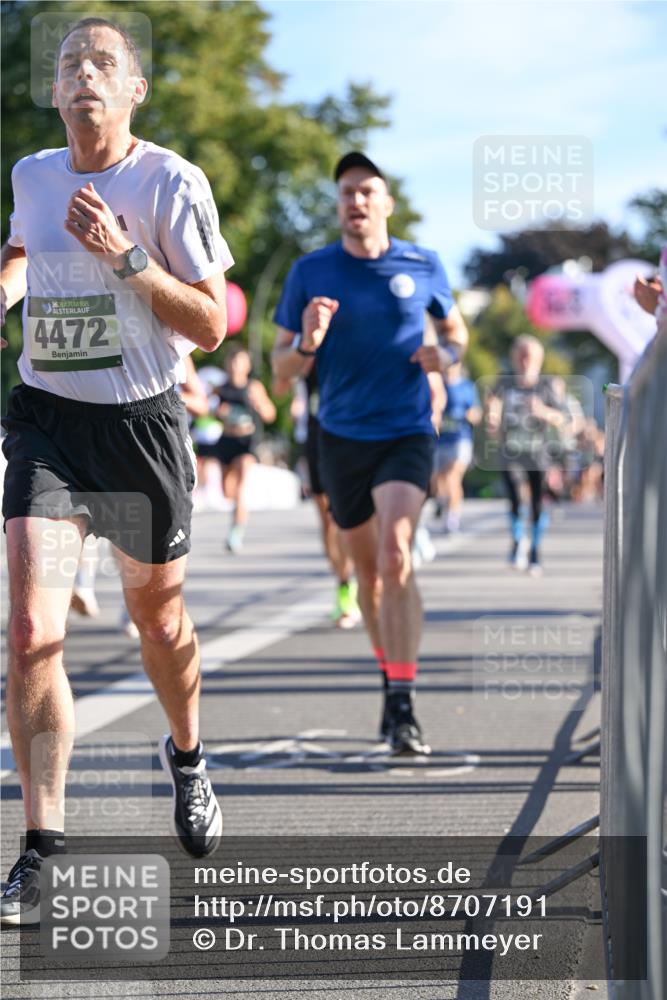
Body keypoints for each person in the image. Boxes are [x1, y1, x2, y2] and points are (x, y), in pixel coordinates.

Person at [0, 17, 230, 924]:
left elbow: (210, 324)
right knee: (27, 632)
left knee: (159, 622)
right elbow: (23, 255)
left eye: (103, 62)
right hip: (48, 423)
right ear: (53, 93)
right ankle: (43, 845)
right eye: (67, 64)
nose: (82, 74)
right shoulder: (30, 174)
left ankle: (188, 754)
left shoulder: (170, 180)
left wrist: (126, 259)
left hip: (140, 430)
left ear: (134, 90)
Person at [272, 152, 468, 755]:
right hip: (341, 438)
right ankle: (391, 678)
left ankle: (403, 703)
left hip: (407, 431)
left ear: (386, 204)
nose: (355, 201)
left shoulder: (423, 263)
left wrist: (449, 357)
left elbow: (457, 333)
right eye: (346, 193)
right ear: (338, 206)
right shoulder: (310, 272)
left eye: (367, 192)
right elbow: (280, 374)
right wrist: (308, 341)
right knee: (366, 573)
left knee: (396, 552)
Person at [274, 366, 362, 629]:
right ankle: (344, 583)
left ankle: (354, 583)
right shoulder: (307, 341)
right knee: (327, 521)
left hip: (352, 435)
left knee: (346, 517)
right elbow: (279, 387)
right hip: (316, 438)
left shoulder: (351, 336)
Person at [485, 336, 565, 575]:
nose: (524, 360)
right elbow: (492, 402)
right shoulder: (505, 382)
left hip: (538, 453)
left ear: (539, 359)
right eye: (521, 354)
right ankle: (518, 542)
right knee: (515, 498)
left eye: (529, 355)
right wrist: (493, 418)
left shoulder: (546, 385)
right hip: (511, 450)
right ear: (514, 357)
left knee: (538, 504)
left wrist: (542, 411)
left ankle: (535, 552)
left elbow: (561, 418)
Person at [214, 343, 276, 553]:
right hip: (226, 441)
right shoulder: (220, 388)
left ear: (247, 365)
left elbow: (270, 414)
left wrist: (259, 404)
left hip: (247, 442)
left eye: (240, 361)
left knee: (241, 486)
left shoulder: (253, 387)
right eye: (232, 361)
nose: (235, 365)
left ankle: (236, 532)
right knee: (227, 491)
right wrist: (218, 412)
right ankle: (237, 513)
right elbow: (208, 412)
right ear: (226, 364)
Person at [431, 360, 481, 533]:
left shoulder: (467, 387)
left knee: (453, 476)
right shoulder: (437, 385)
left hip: (460, 439)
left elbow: (477, 413)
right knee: (437, 480)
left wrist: (470, 415)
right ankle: (442, 501)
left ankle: (452, 517)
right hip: (439, 440)